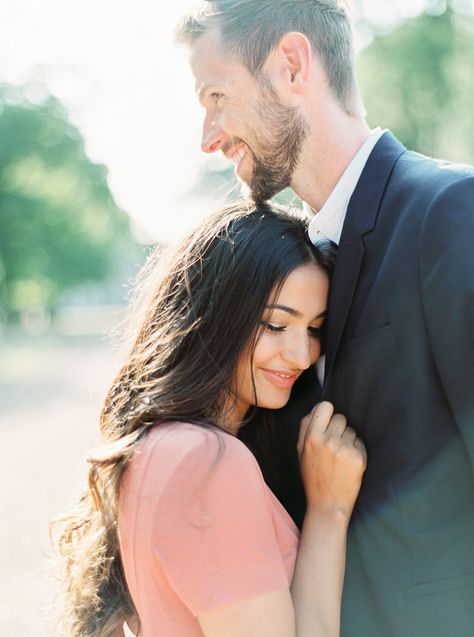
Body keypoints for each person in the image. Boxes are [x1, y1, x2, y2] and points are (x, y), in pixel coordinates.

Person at [176, 1, 474, 635]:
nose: (209, 136)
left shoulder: (452, 213)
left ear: (290, 66)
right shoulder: (290, 266)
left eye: (217, 95)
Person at [56, 203, 366, 637]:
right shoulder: (207, 461)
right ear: (211, 316)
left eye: (315, 330)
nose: (301, 355)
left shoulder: (159, 446)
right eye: (276, 325)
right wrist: (329, 510)